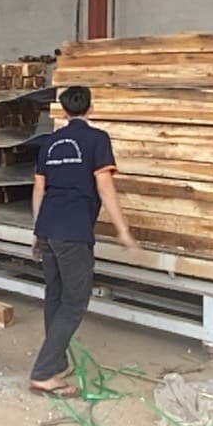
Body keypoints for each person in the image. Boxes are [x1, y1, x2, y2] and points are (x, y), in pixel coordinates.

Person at [28, 86, 138, 397]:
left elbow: (39, 190)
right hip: (73, 230)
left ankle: (56, 361)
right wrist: (123, 230)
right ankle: (44, 372)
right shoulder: (97, 139)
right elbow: (105, 187)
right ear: (90, 108)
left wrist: (38, 231)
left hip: (48, 225)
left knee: (56, 296)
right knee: (75, 301)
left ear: (63, 111)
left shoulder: (48, 143)